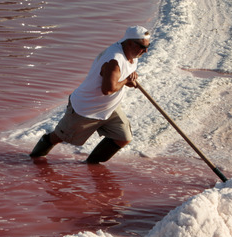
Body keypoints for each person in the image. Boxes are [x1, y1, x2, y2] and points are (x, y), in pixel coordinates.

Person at [29, 25, 151, 163]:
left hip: (109, 108)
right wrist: (127, 81)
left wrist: (129, 78)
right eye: (142, 46)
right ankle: (34, 159)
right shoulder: (114, 60)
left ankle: (92, 165)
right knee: (58, 136)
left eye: (148, 46)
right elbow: (108, 90)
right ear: (129, 42)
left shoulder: (133, 54)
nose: (145, 51)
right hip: (86, 108)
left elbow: (120, 77)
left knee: (122, 137)